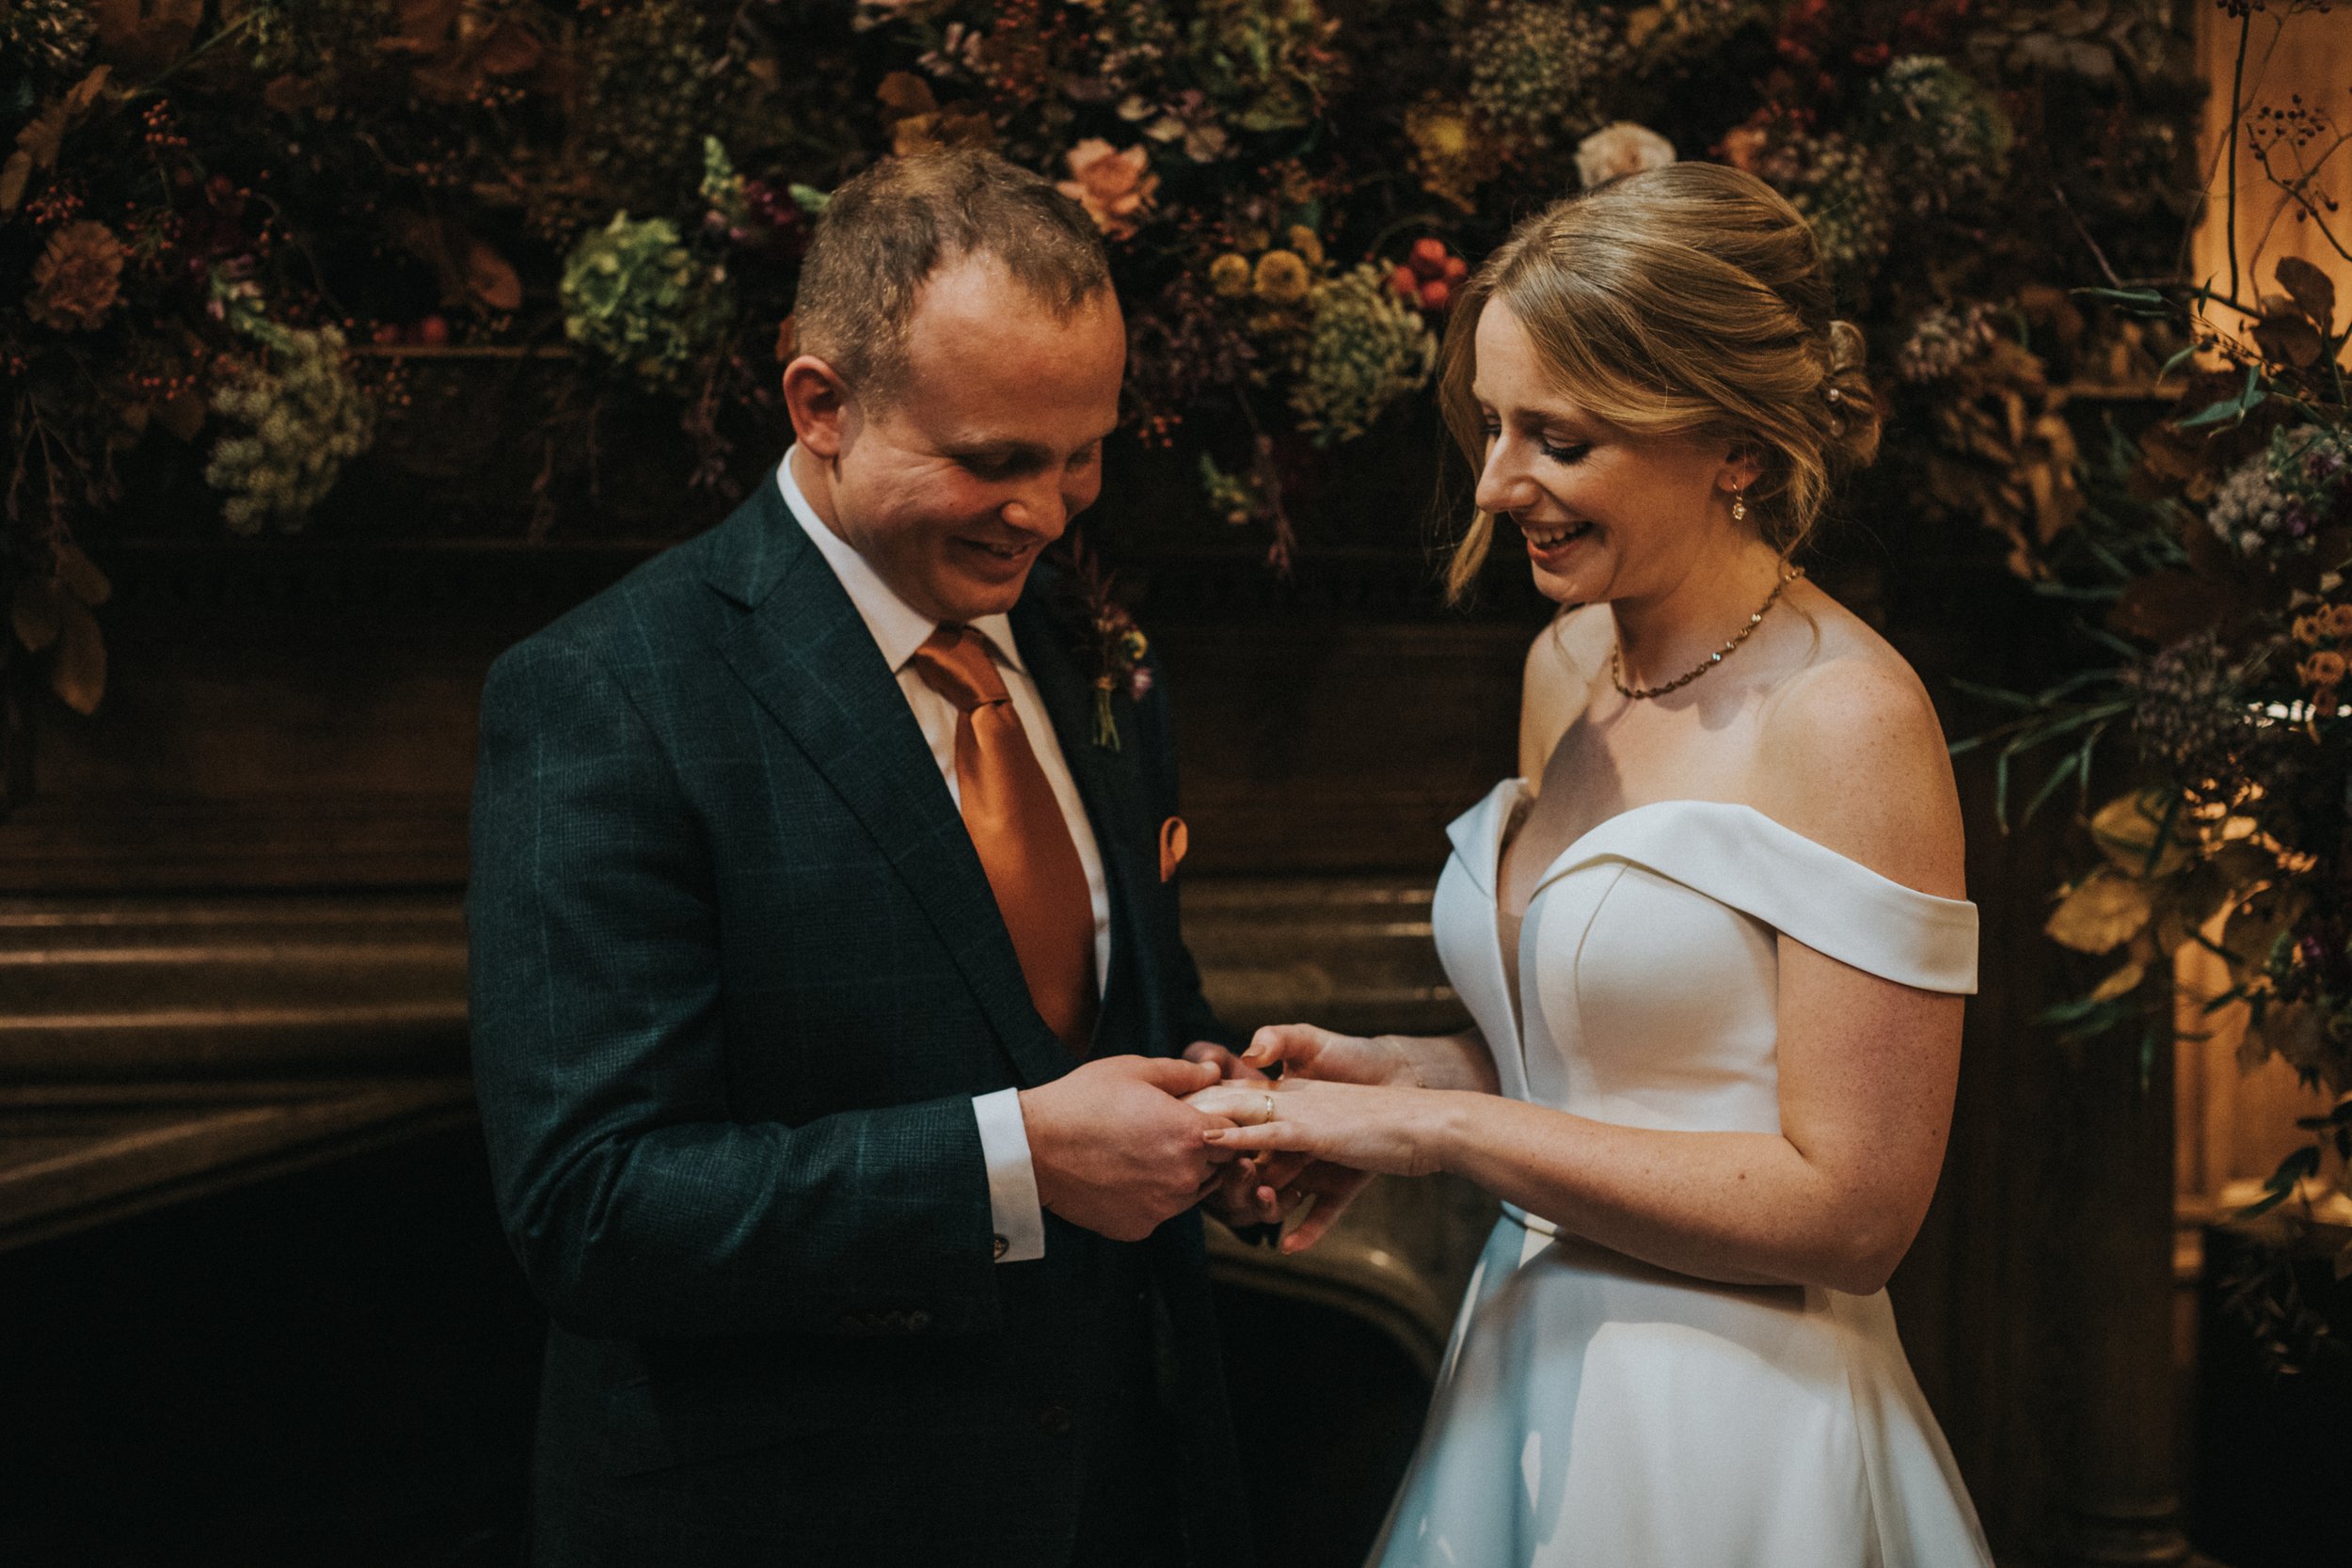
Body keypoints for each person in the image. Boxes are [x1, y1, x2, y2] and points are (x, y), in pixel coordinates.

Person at [1191, 162, 1995, 1565]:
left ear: (1733, 448)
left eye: (1557, 440)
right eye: (1495, 426)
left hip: (1731, 1423)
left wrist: (1446, 1138)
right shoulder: (1566, 664)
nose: (1501, 485)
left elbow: (1855, 1213)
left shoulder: (1850, 721)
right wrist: (1405, 1075)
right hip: (1523, 1367)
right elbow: (1615, 1062)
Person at [468, 149, 1253, 1568]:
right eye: (994, 460)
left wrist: (1235, 1113)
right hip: (788, 1517)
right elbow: (591, 1207)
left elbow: (1122, 1012)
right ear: (821, 406)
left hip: (1115, 1497)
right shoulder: (609, 693)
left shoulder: (1092, 654)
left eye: (1083, 454)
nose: (1052, 513)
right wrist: (1013, 1161)